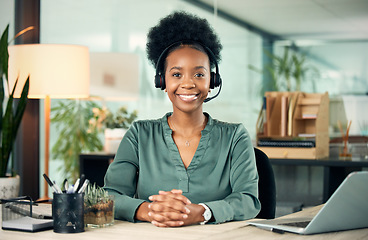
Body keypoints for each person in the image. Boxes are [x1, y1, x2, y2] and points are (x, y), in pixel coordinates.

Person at [104, 11, 261, 227]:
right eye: (177, 74)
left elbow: (249, 201)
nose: (188, 84)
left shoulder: (235, 137)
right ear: (162, 80)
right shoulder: (139, 135)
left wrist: (203, 212)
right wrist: (148, 211)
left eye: (199, 74)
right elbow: (110, 195)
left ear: (212, 80)